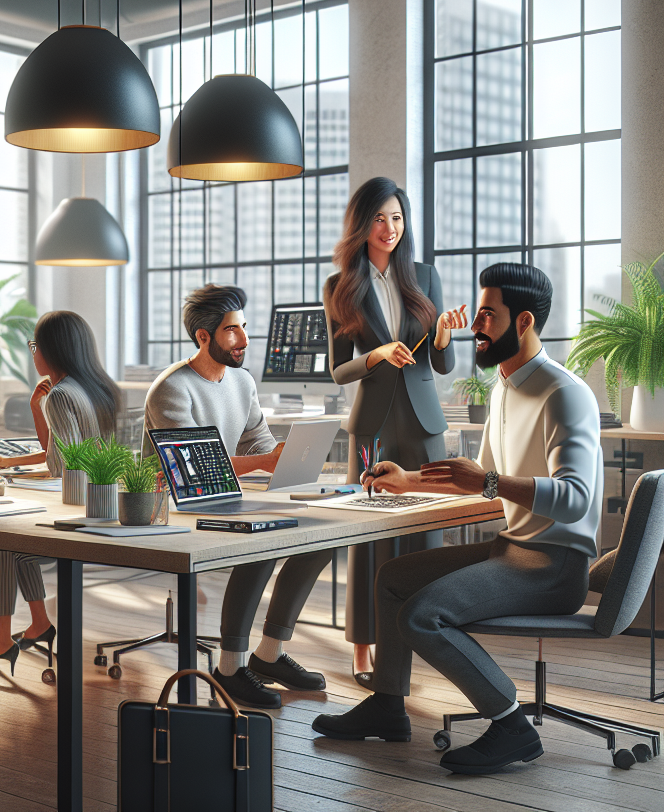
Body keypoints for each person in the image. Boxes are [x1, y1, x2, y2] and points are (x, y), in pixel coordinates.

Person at [312, 263, 603, 775]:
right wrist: (409, 480)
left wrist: (488, 481)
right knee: (393, 578)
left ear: (524, 322)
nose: (476, 325)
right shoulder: (504, 386)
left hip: (553, 566)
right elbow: (479, 481)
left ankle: (511, 725)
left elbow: (575, 499)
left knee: (422, 615)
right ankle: (388, 705)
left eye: (489, 314)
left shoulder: (564, 393)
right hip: (512, 548)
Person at [144, 284, 329, 709]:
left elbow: (257, 442)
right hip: (172, 503)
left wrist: (289, 460)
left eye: (244, 327)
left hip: (223, 495)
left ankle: (269, 655)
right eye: (232, 330)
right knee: (261, 537)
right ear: (203, 336)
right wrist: (266, 461)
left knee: (324, 537)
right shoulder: (173, 388)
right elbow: (194, 465)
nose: (244, 338)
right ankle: (229, 668)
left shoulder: (242, 382)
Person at [323, 177, 466, 685]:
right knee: (369, 536)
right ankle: (363, 649)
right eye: (380, 218)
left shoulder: (425, 276)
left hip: (425, 421)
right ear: (362, 224)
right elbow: (338, 370)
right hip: (373, 425)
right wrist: (376, 355)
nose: (390, 228)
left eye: (397, 218)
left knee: (427, 530)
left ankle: (424, 637)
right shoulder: (340, 286)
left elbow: (444, 364)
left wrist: (443, 334)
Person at [0, 310, 120, 671]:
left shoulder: (60, 395)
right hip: (102, 502)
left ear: (51, 349)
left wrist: (16, 476)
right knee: (11, 544)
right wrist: (35, 410)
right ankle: (38, 623)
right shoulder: (93, 388)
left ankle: (2, 639)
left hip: (75, 509)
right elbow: (58, 450)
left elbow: (60, 466)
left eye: (34, 346)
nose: (33, 353)